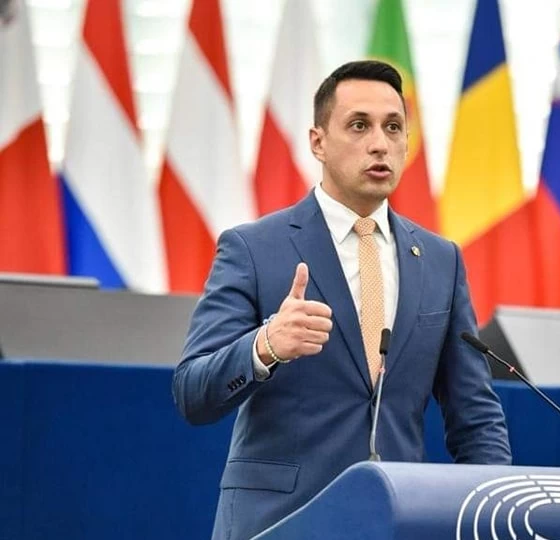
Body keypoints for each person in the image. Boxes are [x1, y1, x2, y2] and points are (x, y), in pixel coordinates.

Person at [172, 60, 511, 540]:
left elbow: (475, 416)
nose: (380, 143)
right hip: (279, 524)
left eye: (393, 127)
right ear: (318, 142)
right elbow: (193, 393)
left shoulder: (441, 261)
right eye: (359, 125)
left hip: (394, 523)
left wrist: (493, 513)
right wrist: (265, 346)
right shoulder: (253, 248)